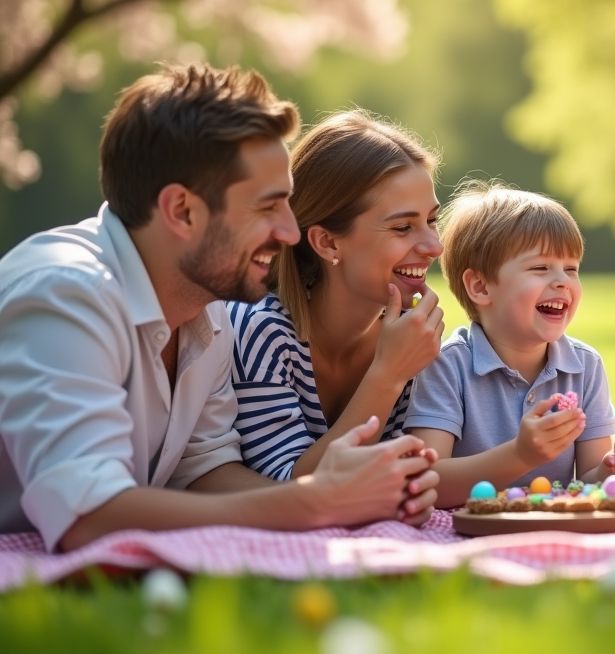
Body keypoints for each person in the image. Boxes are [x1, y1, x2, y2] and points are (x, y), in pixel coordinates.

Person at [0, 64, 438, 552]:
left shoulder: (207, 315)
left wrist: (340, 496)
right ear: (182, 211)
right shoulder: (65, 294)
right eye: (267, 207)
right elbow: (88, 516)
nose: (292, 234)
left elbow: (204, 472)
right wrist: (314, 504)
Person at [228, 112, 445, 514]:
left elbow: (406, 473)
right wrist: (388, 375)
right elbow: (301, 489)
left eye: (432, 220)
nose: (434, 246)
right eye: (403, 228)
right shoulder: (260, 332)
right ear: (327, 243)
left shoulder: (410, 336)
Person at [405, 182, 615, 506]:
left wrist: (614, 470)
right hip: (474, 530)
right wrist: (519, 455)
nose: (562, 281)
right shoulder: (445, 364)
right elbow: (428, 483)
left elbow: (588, 481)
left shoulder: (585, 366)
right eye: (540, 268)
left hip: (554, 528)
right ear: (481, 287)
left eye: (571, 269)